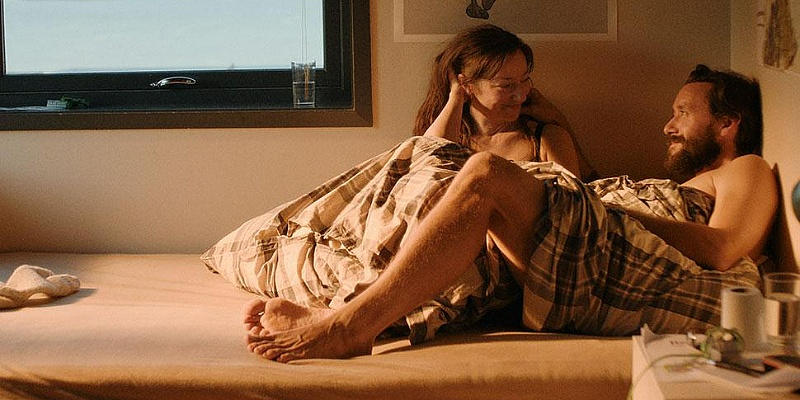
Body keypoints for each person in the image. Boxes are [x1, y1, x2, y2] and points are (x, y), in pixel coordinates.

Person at [240, 63, 777, 363]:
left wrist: (598, 205)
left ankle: (351, 326)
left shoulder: (747, 168)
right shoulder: (691, 181)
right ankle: (344, 292)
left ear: (726, 124)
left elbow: (725, 249)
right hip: (593, 245)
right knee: (425, 160)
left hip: (621, 256)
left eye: (682, 113)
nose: (667, 126)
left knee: (485, 176)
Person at [412, 24, 596, 180]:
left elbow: (573, 206)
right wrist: (456, 97)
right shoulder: (449, 139)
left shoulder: (548, 139)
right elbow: (423, 176)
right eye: (506, 85)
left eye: (524, 80)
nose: (520, 95)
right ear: (467, 85)